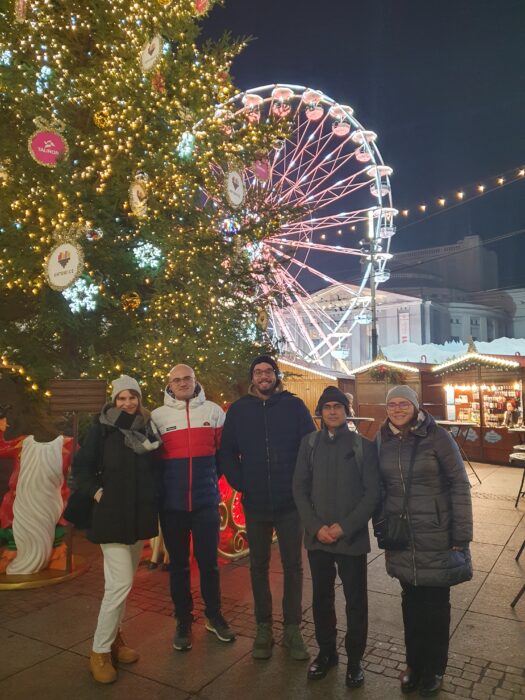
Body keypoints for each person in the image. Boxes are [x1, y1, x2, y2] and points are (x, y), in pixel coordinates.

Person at [376, 386, 473, 697]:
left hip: (436, 531)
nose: (398, 409)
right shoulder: (383, 440)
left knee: (435, 604)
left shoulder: (437, 437)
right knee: (410, 603)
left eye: (404, 404)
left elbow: (459, 484)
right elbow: (377, 487)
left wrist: (462, 534)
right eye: (392, 404)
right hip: (402, 535)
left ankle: (434, 668)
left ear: (415, 406)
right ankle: (414, 664)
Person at [219, 355, 315, 660]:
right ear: (252, 378)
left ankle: (292, 629)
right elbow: (226, 453)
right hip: (256, 502)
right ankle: (263, 627)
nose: (263, 376)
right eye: (258, 372)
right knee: (258, 566)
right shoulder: (239, 410)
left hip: (289, 504)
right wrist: (243, 483)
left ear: (276, 375)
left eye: (268, 371)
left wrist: (300, 484)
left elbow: (310, 447)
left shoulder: (294, 406)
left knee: (293, 567)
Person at [72, 375, 160, 684]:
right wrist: (96, 492)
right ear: (113, 400)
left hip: (137, 516)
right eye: (121, 398)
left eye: (132, 397)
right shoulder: (101, 429)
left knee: (124, 582)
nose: (127, 403)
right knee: (119, 584)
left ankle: (114, 640)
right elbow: (80, 467)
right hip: (110, 516)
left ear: (139, 398)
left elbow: (154, 468)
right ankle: (98, 650)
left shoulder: (148, 429)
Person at [293, 386, 380, 688]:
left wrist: (345, 527)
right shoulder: (309, 444)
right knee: (321, 598)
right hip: (318, 540)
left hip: (351, 539)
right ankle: (327, 652)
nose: (332, 411)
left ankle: (354, 659)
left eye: (337, 406)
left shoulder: (363, 447)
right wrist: (316, 527)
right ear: (320, 412)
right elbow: (299, 489)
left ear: (346, 411)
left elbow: (372, 494)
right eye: (327, 406)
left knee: (356, 601)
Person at [151, 364, 235, 652]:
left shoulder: (213, 412)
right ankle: (183, 621)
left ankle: (213, 616)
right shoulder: (157, 417)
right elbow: (152, 462)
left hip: (204, 504)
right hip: (171, 506)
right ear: (169, 385)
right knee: (178, 566)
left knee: (209, 564)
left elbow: (224, 454)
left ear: (195, 381)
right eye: (177, 380)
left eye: (187, 378)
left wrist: (210, 481)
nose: (183, 383)